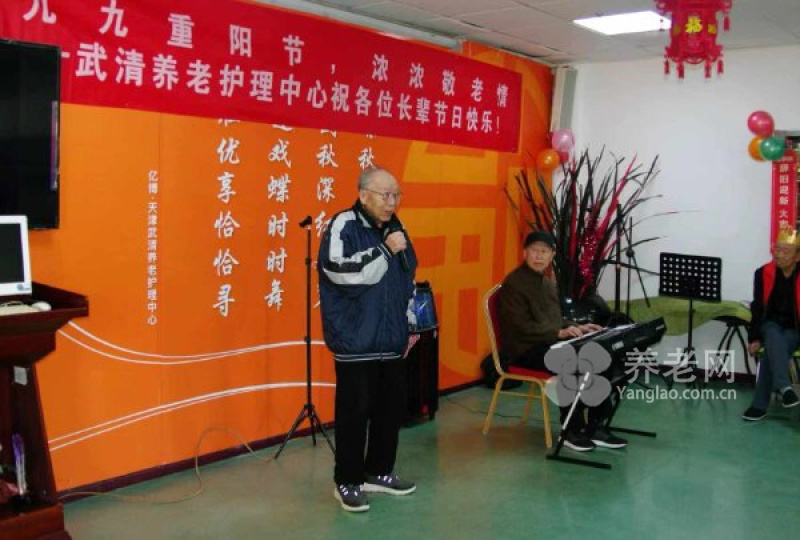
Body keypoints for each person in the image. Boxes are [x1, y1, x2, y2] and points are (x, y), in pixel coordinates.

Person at [318, 166, 418, 512]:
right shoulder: (343, 225)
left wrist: (407, 323)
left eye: (396, 195)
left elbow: (407, 275)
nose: (392, 202)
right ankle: (347, 481)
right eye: (385, 195)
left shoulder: (396, 228)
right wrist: (385, 251)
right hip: (356, 340)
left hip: (391, 339)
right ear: (363, 195)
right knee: (353, 414)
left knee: (389, 413)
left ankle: (379, 471)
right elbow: (338, 272)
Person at [496, 230, 627, 452]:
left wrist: (576, 327)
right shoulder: (513, 284)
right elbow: (520, 327)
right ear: (524, 253)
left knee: (601, 356)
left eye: (544, 252)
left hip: (548, 343)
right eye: (534, 251)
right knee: (572, 363)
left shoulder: (547, 283)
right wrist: (559, 333)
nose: (539, 256)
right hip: (524, 350)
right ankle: (571, 430)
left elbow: (554, 319)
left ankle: (595, 426)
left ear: (552, 256)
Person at [742, 228, 800, 421]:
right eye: (777, 249)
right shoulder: (763, 273)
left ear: (798, 257)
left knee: (773, 349)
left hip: (795, 330)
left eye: (786, 251)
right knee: (773, 332)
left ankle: (760, 405)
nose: (779, 255)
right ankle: (785, 387)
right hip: (770, 326)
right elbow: (757, 308)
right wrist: (755, 337)